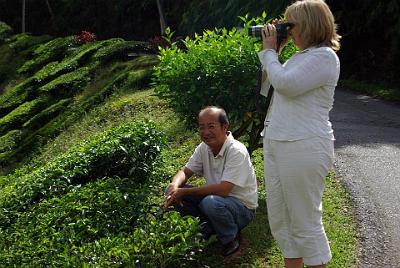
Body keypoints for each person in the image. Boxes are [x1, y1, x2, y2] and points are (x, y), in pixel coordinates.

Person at [257, 0, 341, 267]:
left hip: (303, 145)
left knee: (305, 222)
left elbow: (287, 85)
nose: (287, 30)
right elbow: (267, 88)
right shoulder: (298, 57)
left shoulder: (325, 57)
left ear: (309, 24)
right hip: (279, 142)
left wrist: (270, 53)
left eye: (290, 25)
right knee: (282, 221)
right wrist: (276, 52)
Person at [163, 106, 258, 257]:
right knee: (171, 191)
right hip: (216, 201)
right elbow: (184, 172)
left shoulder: (236, 151)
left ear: (225, 126)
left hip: (242, 209)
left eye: (211, 126)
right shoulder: (204, 148)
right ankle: (206, 229)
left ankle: (230, 239)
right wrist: (175, 187)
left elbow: (224, 189)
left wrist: (184, 191)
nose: (206, 132)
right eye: (202, 127)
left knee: (211, 202)